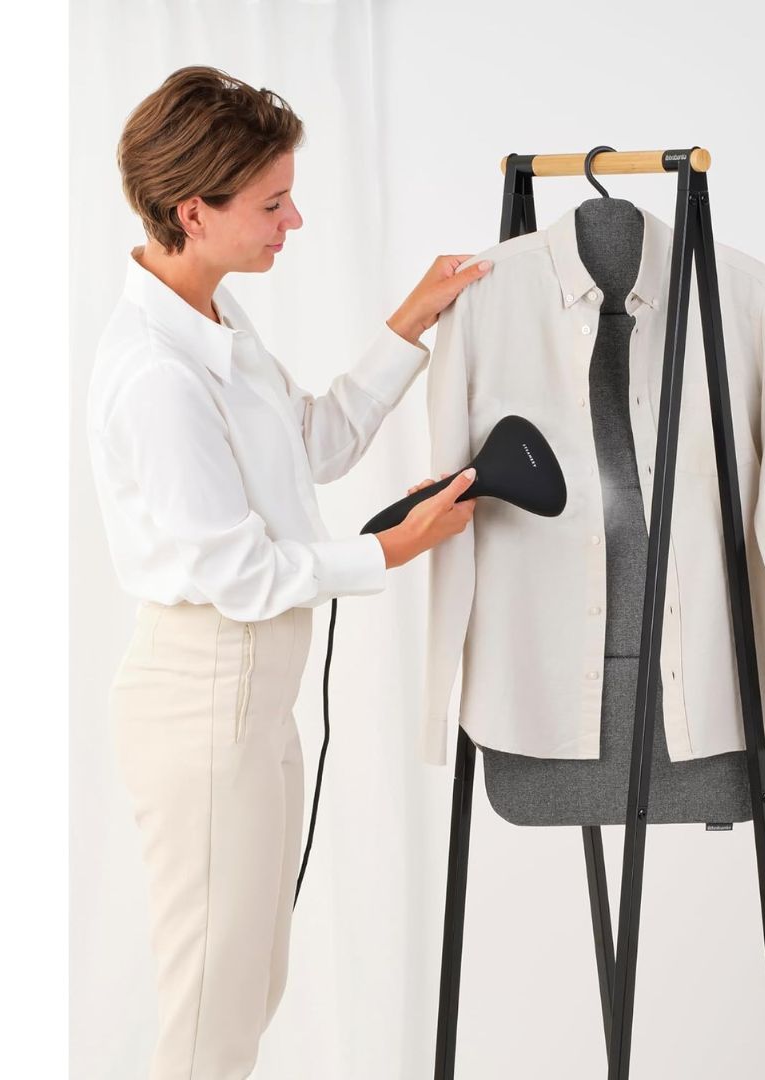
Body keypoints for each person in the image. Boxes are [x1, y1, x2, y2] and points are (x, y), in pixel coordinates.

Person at [85, 65, 492, 1080]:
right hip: (204, 694)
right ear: (194, 210)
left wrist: (410, 322)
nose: (293, 221)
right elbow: (239, 572)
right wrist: (394, 547)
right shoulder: (157, 374)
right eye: (272, 204)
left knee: (250, 987)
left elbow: (313, 442)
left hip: (253, 699)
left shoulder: (214, 316)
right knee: (210, 1018)